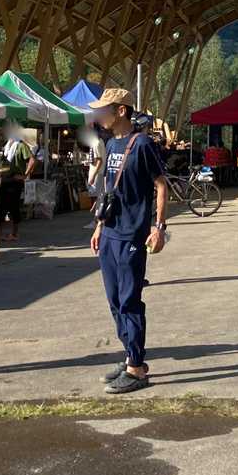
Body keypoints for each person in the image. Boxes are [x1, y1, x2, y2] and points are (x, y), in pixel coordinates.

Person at [89, 87, 169, 394]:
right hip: (110, 232)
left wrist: (158, 227)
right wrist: (99, 226)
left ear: (121, 110)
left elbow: (161, 186)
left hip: (132, 234)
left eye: (104, 110)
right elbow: (109, 190)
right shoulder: (111, 144)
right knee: (113, 300)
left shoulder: (142, 144)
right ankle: (129, 356)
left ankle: (136, 368)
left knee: (129, 300)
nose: (99, 115)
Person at [0, 128, 32, 243]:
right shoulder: (7, 145)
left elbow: (32, 159)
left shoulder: (21, 145)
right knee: (0, 207)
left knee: (13, 207)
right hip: (5, 179)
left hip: (15, 180)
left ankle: (14, 233)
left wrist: (25, 175)